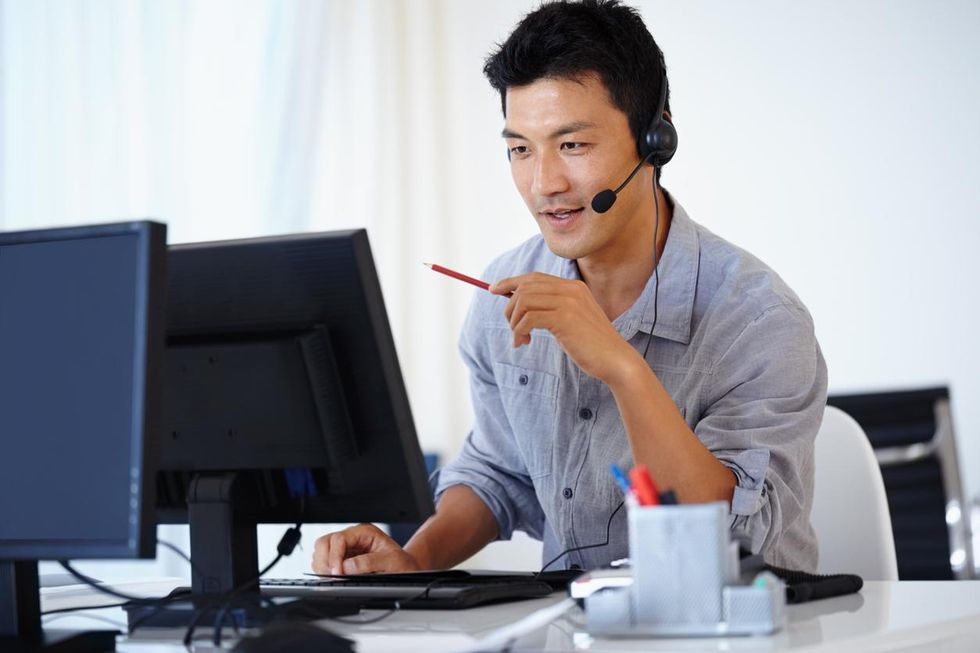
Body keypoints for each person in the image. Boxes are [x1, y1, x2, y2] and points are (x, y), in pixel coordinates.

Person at [313, 0, 826, 575]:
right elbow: (500, 473)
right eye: (520, 149)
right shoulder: (503, 298)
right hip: (576, 628)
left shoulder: (760, 322)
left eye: (573, 145)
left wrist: (621, 366)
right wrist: (413, 558)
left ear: (655, 140)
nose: (543, 184)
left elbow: (728, 534)